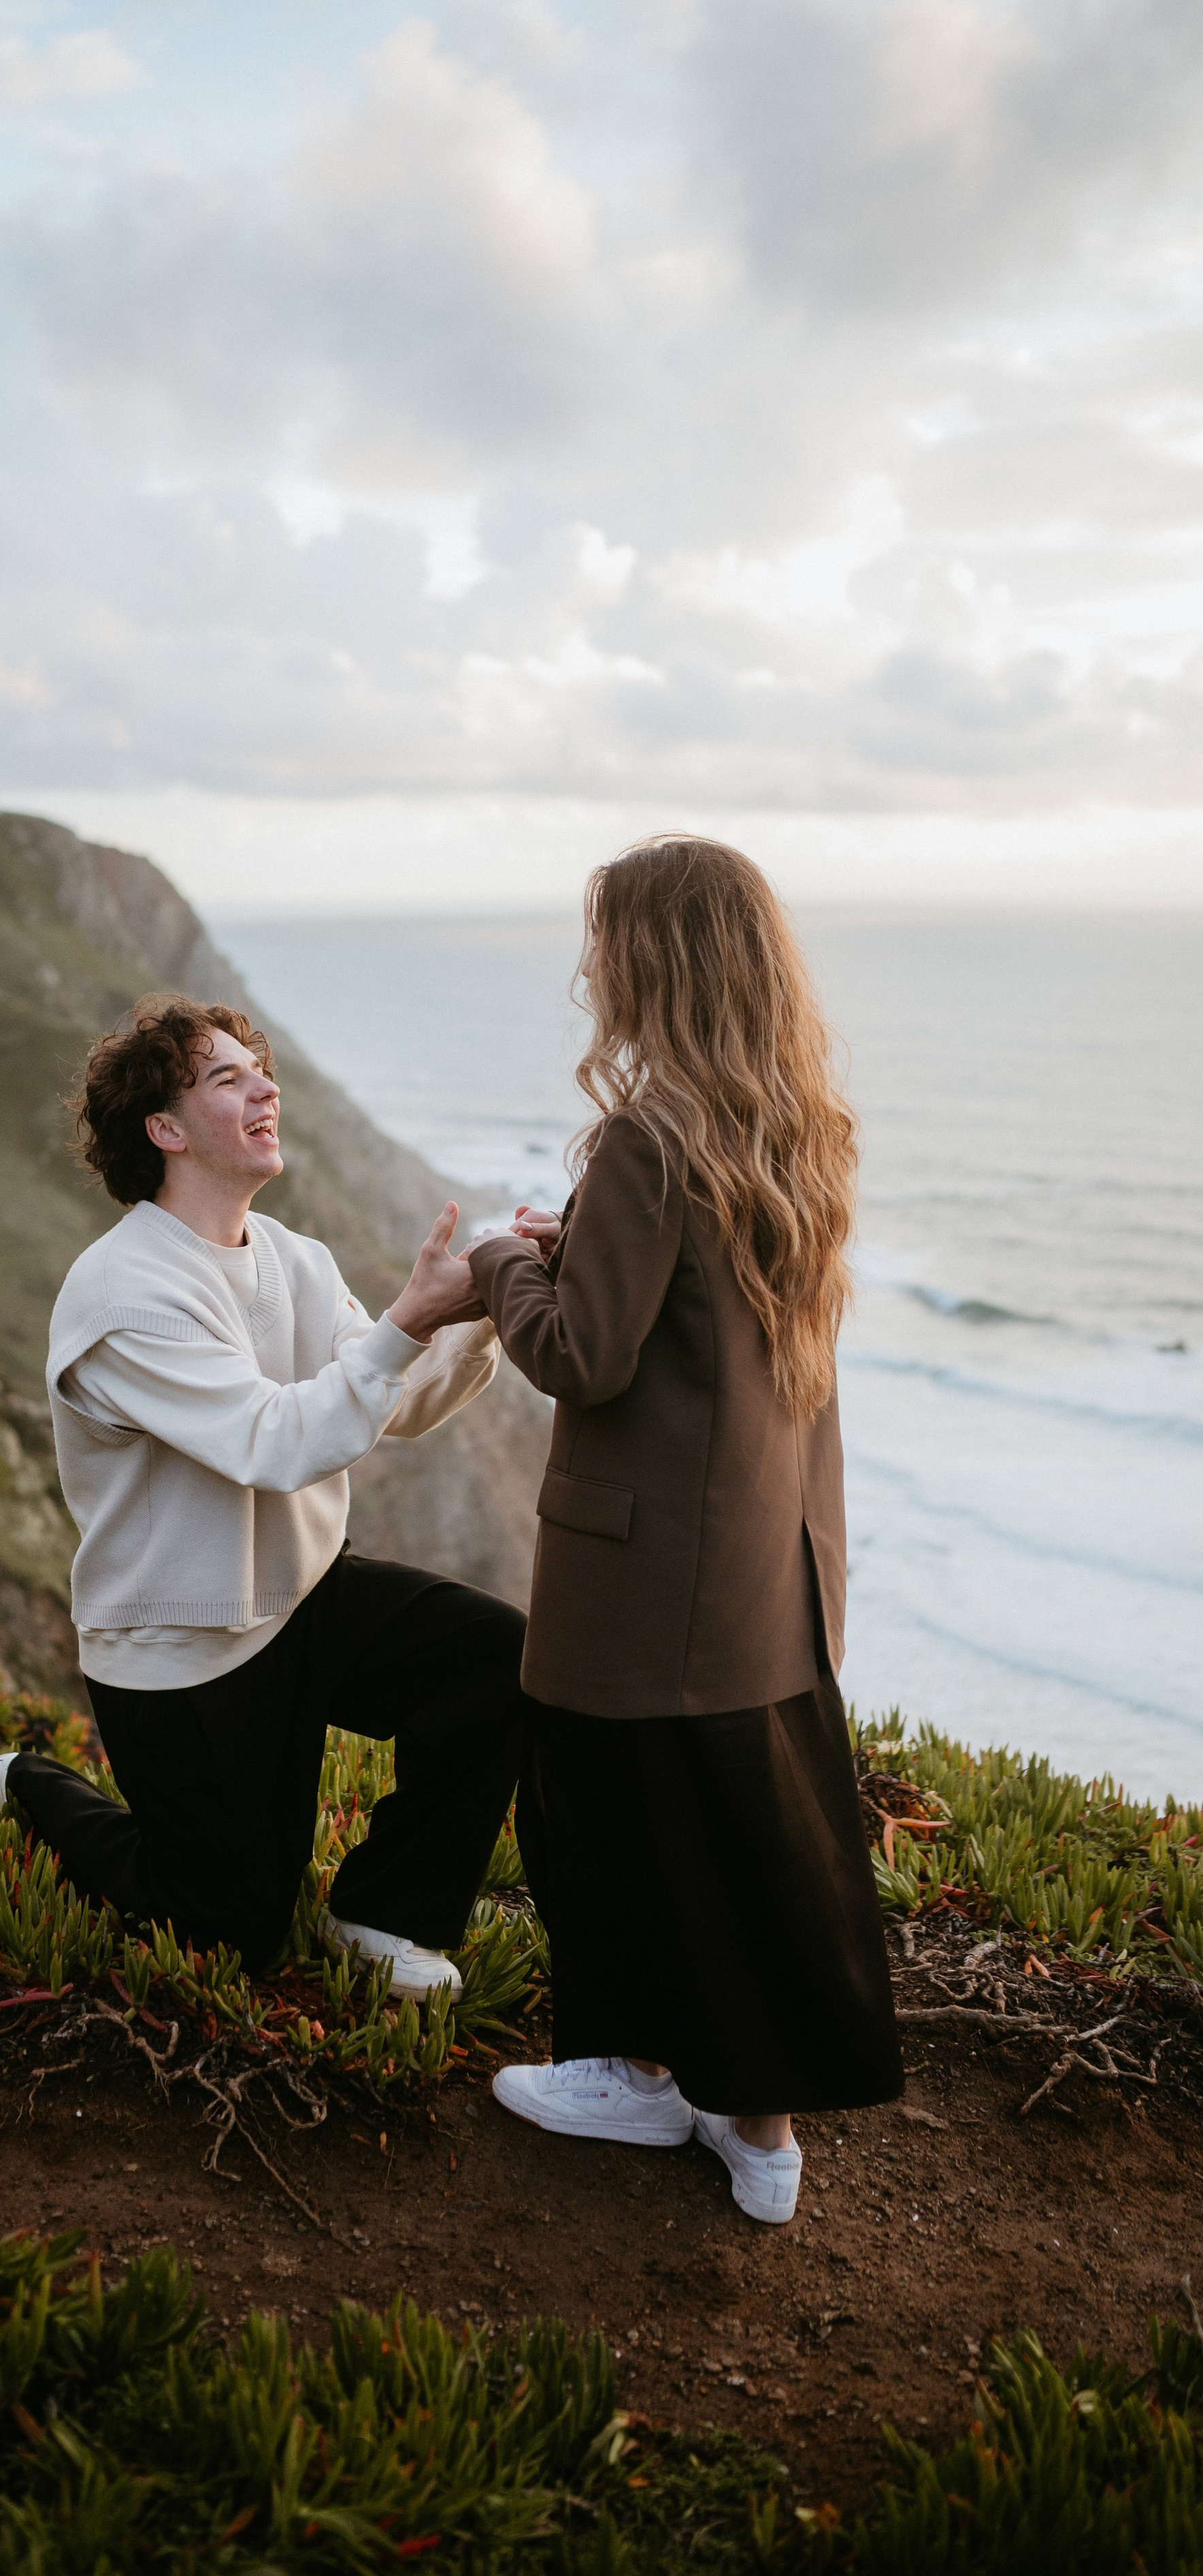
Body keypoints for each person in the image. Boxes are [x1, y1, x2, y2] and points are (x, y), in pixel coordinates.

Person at [467, 836, 902, 2226]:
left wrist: (503, 1266)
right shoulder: (796, 1129)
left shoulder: (645, 1138)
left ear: (653, 959)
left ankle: (648, 2079)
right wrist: (571, 1249)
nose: (587, 965)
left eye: (601, 939)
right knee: (742, 1837)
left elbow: (584, 1358)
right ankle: (754, 2126)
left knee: (615, 1822)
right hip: (763, 1564)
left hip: (643, 1573)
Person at [0, 993, 534, 1998]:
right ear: (165, 1129)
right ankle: (33, 1786)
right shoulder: (122, 1297)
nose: (266, 1087)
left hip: (304, 1595)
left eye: (260, 1069)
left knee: (497, 1658)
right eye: (227, 1079)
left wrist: (482, 1307)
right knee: (228, 1934)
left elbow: (391, 1403)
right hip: (182, 1650)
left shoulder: (295, 1259)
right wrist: (409, 1320)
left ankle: (383, 1912)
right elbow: (273, 1441)